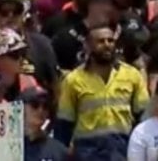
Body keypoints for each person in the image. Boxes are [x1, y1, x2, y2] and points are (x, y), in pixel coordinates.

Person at [56, 22, 149, 160]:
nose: (107, 45)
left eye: (110, 40)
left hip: (122, 149)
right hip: (87, 152)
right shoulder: (73, 80)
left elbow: (144, 117)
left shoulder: (132, 75)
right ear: (87, 46)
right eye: (100, 41)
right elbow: (64, 124)